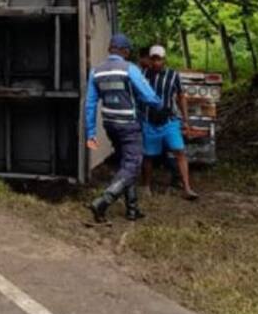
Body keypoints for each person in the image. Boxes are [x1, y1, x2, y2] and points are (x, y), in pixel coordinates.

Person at [84, 32, 163, 223]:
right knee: (132, 164)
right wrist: (159, 104)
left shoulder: (96, 71)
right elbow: (148, 95)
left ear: (110, 49)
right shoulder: (130, 69)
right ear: (125, 51)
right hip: (129, 126)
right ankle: (103, 201)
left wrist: (91, 132)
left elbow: (90, 104)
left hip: (110, 125)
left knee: (126, 163)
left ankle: (132, 209)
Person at [141, 44, 198, 200]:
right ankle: (146, 186)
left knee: (179, 151)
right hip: (149, 121)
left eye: (158, 59)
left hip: (169, 121)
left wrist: (186, 120)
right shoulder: (143, 75)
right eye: (153, 59)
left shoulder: (173, 76)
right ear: (150, 60)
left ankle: (187, 188)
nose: (156, 62)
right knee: (148, 155)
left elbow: (180, 96)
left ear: (164, 59)